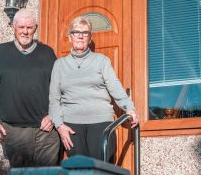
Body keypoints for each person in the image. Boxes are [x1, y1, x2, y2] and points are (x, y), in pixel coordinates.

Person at [49, 16, 139, 161]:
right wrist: (59, 126)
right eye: (76, 32)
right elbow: (54, 99)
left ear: (90, 38)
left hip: (101, 122)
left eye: (85, 33)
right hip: (71, 126)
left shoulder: (101, 61)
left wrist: (129, 108)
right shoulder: (59, 65)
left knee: (103, 169)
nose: (80, 36)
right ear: (70, 37)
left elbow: (115, 88)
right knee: (81, 170)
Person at [0, 9, 59, 167]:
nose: (25, 31)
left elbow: (60, 89)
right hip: (13, 132)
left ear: (35, 28)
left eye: (29, 27)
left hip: (46, 131)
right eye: (21, 27)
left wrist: (54, 115)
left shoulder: (48, 53)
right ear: (14, 27)